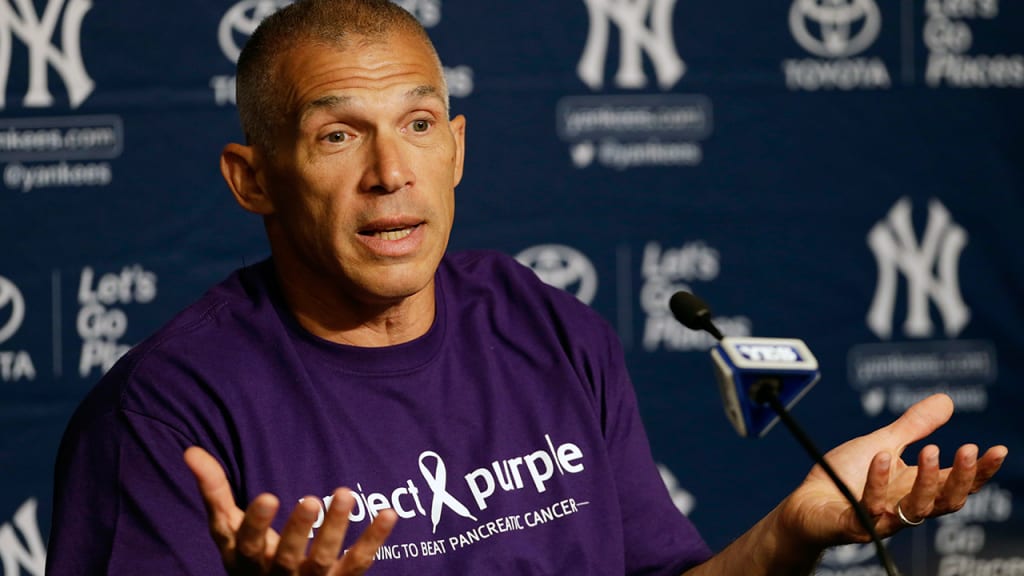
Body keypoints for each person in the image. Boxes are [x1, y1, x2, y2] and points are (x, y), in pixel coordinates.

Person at [46, 0, 1008, 574]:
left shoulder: (548, 330)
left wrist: (791, 534)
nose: (391, 172)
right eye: (337, 135)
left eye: (419, 125)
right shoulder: (165, 415)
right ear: (251, 177)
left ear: (457, 148)